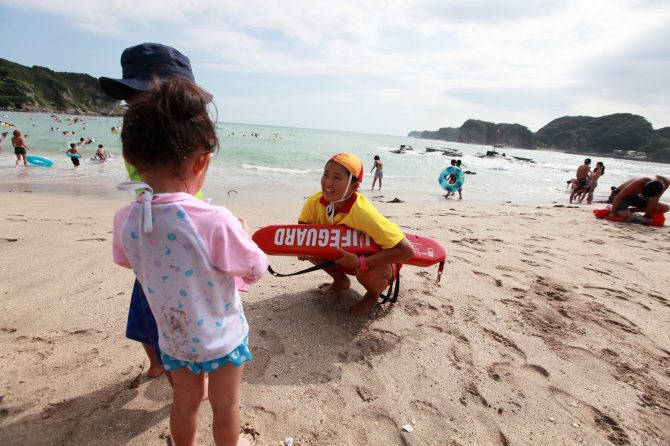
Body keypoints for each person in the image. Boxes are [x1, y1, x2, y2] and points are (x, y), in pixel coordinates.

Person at [113, 77, 268, 446]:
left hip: (174, 339)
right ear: (202, 161)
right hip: (222, 339)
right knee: (225, 404)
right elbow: (256, 267)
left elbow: (126, 261)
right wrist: (242, 233)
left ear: (132, 159)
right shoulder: (214, 219)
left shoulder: (126, 218)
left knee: (184, 404)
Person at [100, 43, 203, 383]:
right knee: (145, 308)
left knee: (184, 310)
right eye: (134, 100)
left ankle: (179, 363)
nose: (142, 110)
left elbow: (196, 184)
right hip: (148, 228)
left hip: (186, 231)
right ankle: (158, 362)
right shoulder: (136, 134)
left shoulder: (193, 133)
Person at [298, 153, 414, 315]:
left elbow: (406, 251)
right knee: (311, 246)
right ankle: (340, 280)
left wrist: (360, 262)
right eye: (325, 174)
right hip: (343, 257)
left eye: (337, 177)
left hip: (374, 262)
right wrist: (302, 247)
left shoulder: (363, 212)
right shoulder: (314, 202)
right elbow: (303, 226)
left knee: (370, 273)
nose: (328, 182)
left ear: (354, 187)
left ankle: (372, 296)